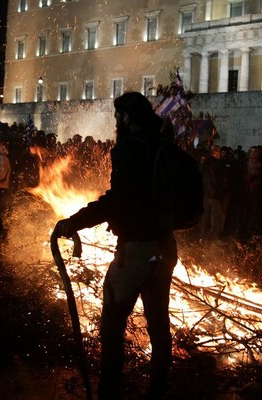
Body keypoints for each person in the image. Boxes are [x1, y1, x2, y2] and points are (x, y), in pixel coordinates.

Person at [53, 92, 179, 400]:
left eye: (117, 117)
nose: (116, 123)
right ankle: (157, 391)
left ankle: (109, 394)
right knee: (159, 326)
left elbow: (117, 201)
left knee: (112, 323)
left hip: (136, 250)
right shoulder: (164, 146)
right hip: (165, 247)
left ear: (126, 118)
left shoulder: (130, 148)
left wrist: (74, 222)